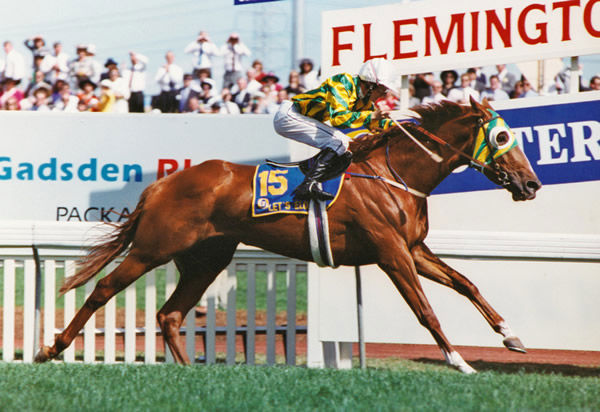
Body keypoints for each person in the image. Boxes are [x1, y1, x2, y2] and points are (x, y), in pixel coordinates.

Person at [273, 57, 395, 201]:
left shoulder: (365, 102)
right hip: (289, 115)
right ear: (370, 85)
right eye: (382, 89)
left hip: (303, 118)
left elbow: (373, 124)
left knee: (345, 145)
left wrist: (396, 127)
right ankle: (307, 185)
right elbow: (338, 119)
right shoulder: (343, 82)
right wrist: (372, 115)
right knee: (339, 141)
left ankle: (312, 180)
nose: (383, 94)